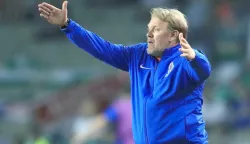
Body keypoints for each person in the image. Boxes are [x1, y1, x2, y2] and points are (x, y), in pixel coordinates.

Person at [38, 1, 211, 143]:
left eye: (156, 29)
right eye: (149, 28)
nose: (149, 34)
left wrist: (195, 57)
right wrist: (67, 25)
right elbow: (102, 48)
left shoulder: (185, 61)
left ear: (173, 36)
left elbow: (203, 70)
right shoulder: (137, 55)